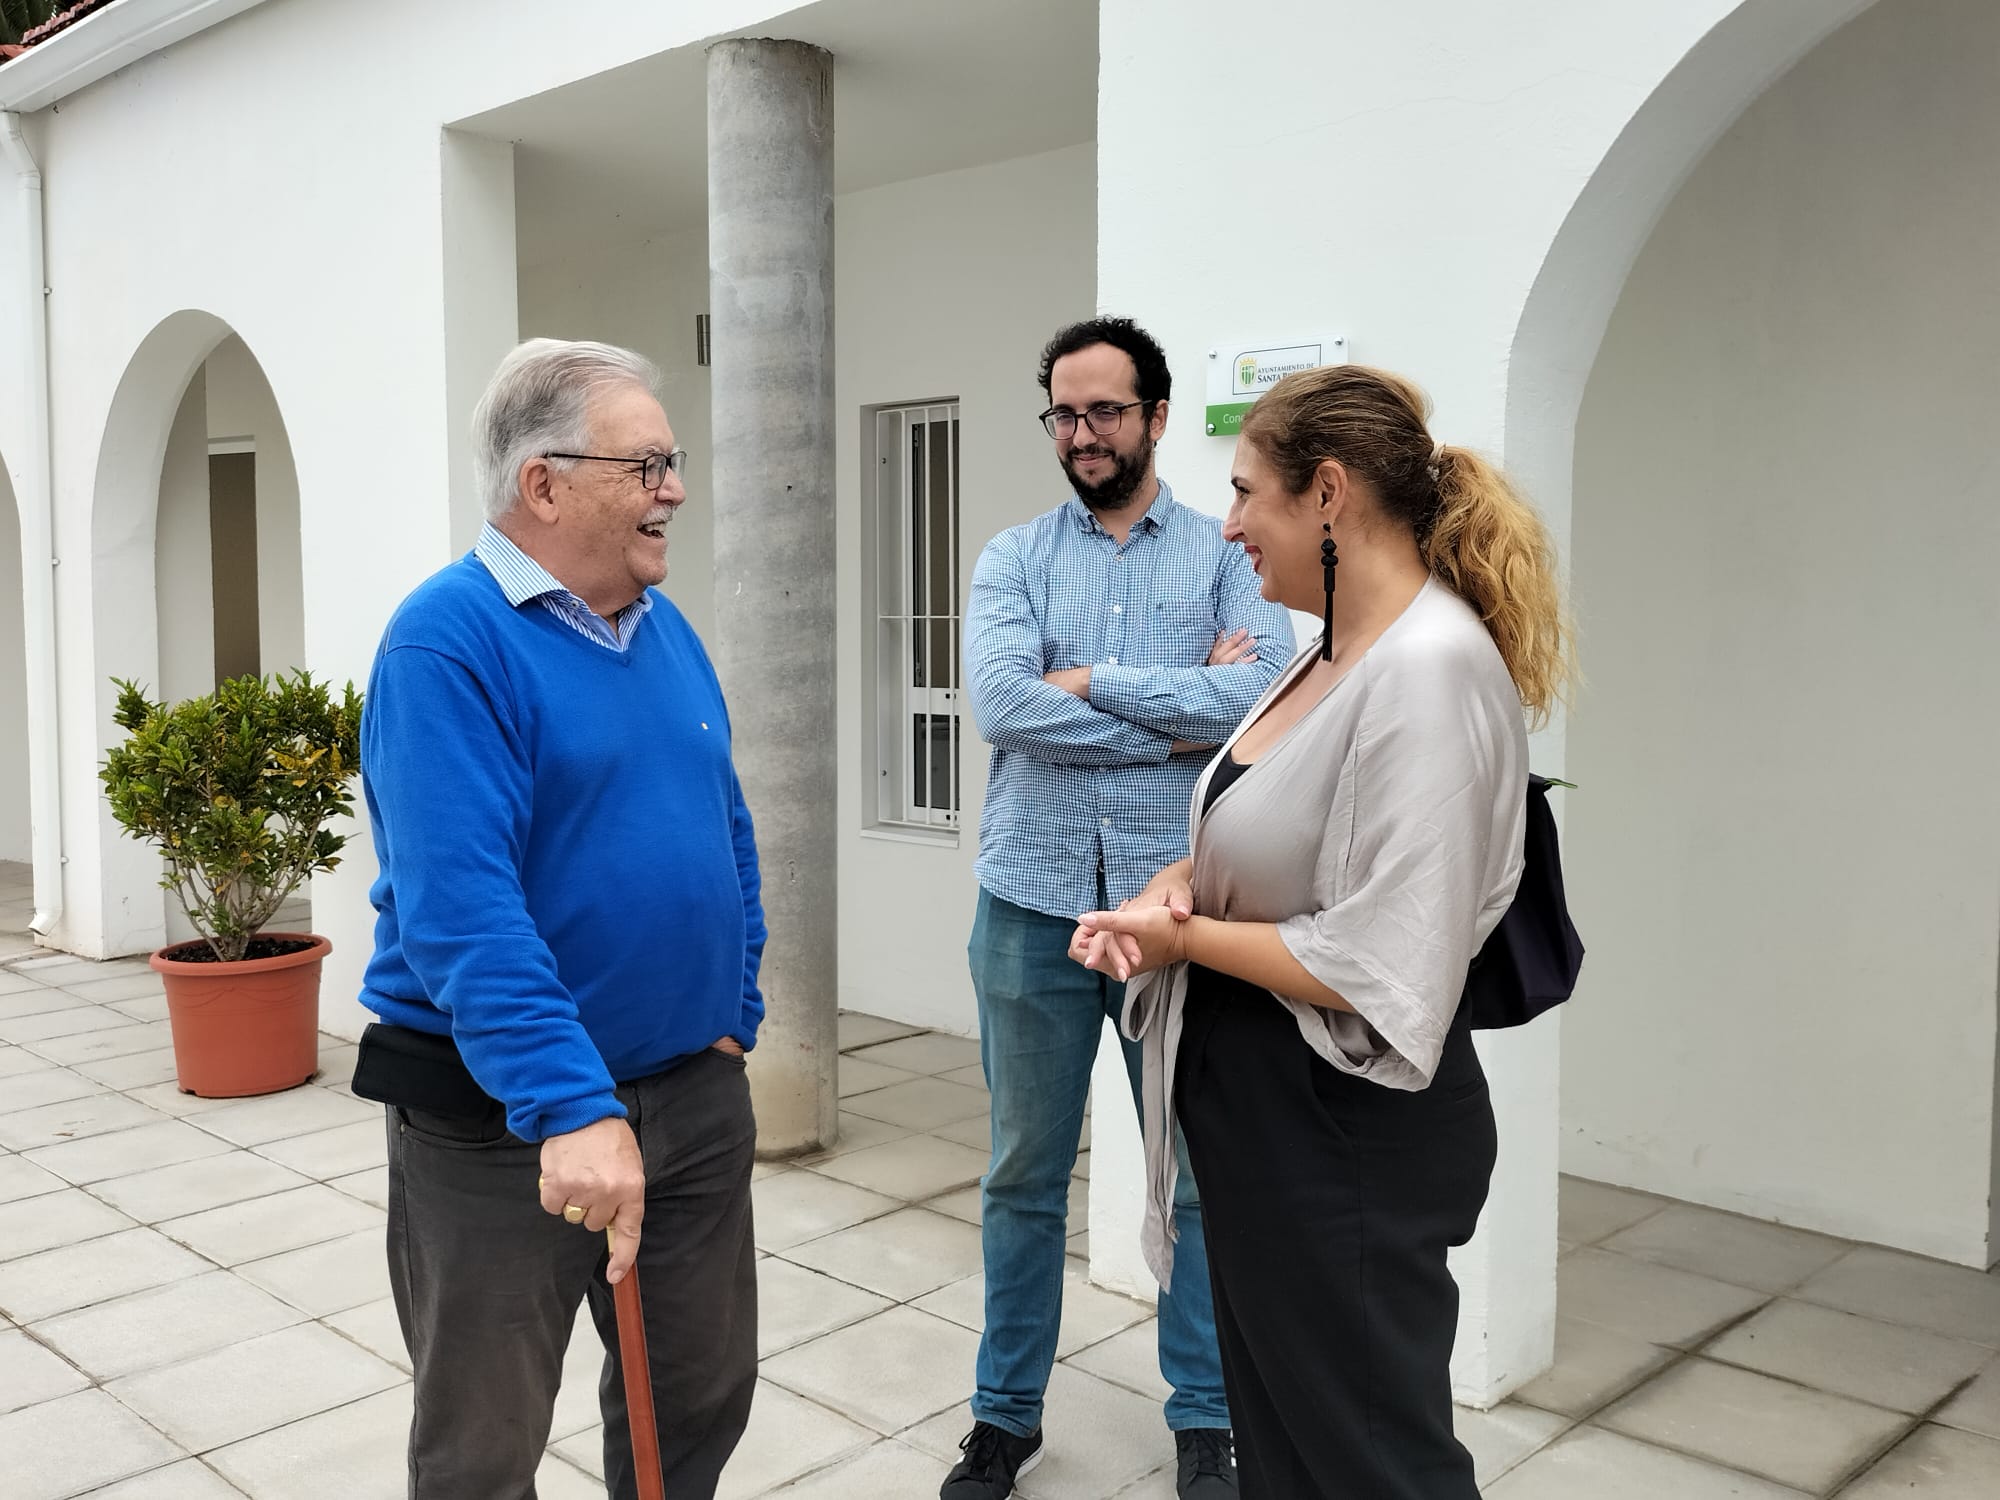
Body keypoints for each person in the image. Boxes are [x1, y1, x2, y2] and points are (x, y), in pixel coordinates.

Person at [1069, 363, 1574, 1497]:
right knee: (1290, 1451)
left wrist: (1182, 943)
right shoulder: (1332, 646)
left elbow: (1380, 959)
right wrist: (1177, 882)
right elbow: (1267, 831)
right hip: (1266, 1123)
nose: (1231, 524)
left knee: (1370, 1463)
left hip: (1344, 1139)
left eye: (1249, 494)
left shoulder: (1428, 668)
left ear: (1329, 494)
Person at [357, 339, 764, 1500]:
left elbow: (721, 826)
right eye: (646, 466)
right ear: (543, 484)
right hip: (507, 1124)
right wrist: (573, 1106)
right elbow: (459, 909)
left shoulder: (660, 625)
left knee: (694, 1401)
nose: (672, 489)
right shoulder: (447, 639)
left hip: (689, 1091)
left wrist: (733, 1007)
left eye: (670, 465)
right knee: (483, 1444)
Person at [946, 316, 1295, 1500]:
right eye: (1062, 412)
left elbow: (1260, 697)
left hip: (1177, 912)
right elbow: (998, 703)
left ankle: (1204, 1417)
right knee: (1018, 1177)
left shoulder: (1222, 553)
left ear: (1152, 415)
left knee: (1193, 1176)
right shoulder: (1010, 556)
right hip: (1028, 902)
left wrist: (1092, 684)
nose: (1080, 432)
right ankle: (1003, 1418)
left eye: (1103, 410)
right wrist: (1172, 713)